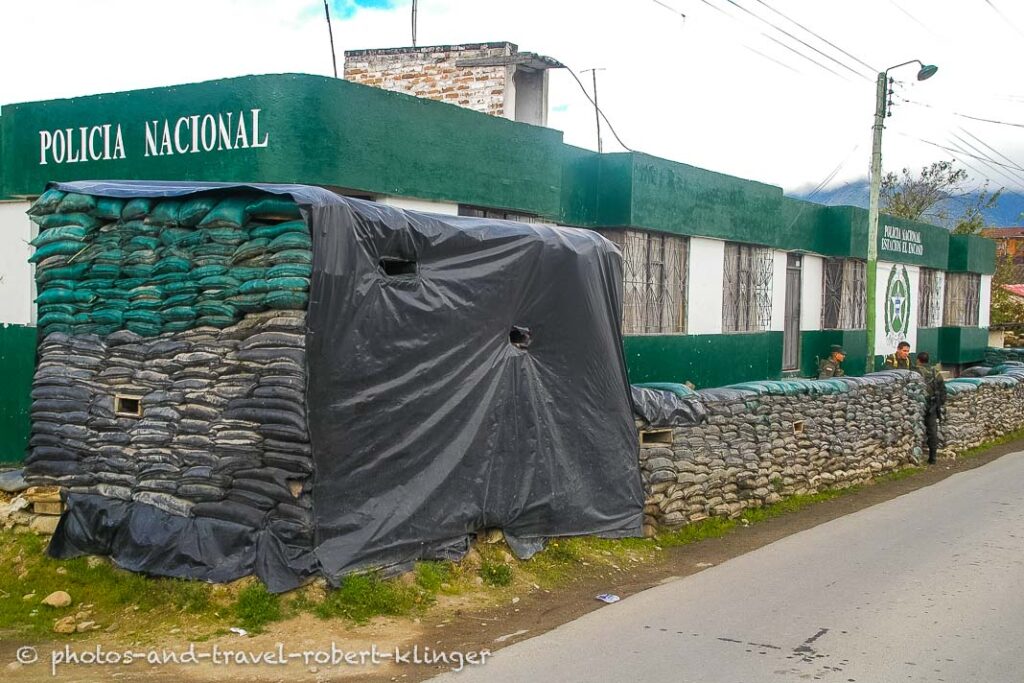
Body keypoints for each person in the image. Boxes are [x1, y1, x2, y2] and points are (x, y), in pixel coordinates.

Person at [913, 351, 946, 464]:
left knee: (913, 429)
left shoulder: (914, 372)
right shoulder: (935, 373)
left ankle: (914, 457)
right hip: (931, 406)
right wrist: (939, 404)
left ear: (918, 360)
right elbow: (943, 391)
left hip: (916, 406)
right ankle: (933, 457)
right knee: (932, 431)